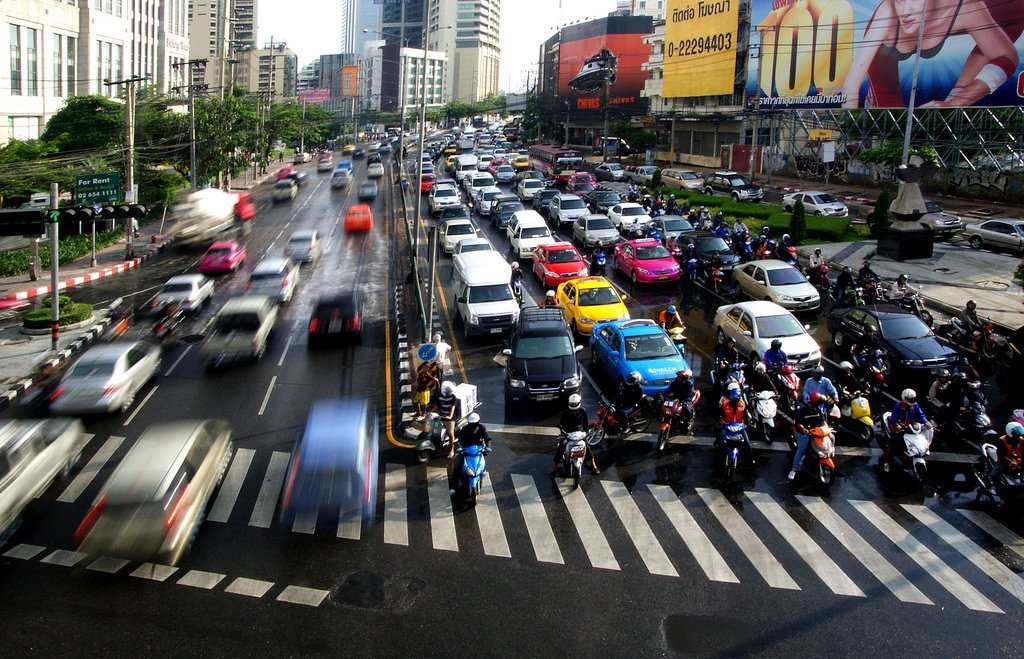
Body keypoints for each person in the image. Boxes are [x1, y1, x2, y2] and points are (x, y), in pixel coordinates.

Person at [840, 0, 1023, 109]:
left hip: (961, 18)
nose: (906, 10)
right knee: (891, 116)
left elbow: (1008, 58)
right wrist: (848, 124)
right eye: (900, 0)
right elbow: (852, 83)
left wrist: (956, 102)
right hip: (883, 57)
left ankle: (955, 95)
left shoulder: (966, 8)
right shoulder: (888, 12)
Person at [884, 388, 932, 471]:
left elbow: (921, 415)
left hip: (910, 427)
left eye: (913, 399)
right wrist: (896, 425)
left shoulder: (915, 405)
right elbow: (893, 419)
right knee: (892, 444)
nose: (912, 401)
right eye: (910, 399)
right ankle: (887, 462)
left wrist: (926, 422)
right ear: (904, 398)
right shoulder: (898, 405)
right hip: (898, 427)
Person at [551, 394, 599, 476]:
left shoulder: (583, 411)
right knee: (560, 450)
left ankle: (594, 466)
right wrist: (563, 433)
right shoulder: (565, 412)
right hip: (568, 434)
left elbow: (585, 425)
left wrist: (586, 433)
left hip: (579, 434)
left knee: (587, 448)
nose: (573, 405)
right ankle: (553, 470)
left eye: (575, 404)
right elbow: (562, 424)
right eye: (572, 404)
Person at [790, 392, 830, 479]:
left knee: (831, 438)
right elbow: (798, 423)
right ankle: (794, 469)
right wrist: (804, 430)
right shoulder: (802, 410)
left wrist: (826, 428)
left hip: (816, 432)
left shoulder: (818, 409)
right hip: (804, 433)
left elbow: (823, 421)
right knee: (802, 449)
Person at [719, 382, 755, 466]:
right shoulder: (724, 405)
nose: (735, 402)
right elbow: (718, 415)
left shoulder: (742, 405)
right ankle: (720, 459)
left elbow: (746, 417)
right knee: (721, 440)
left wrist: (749, 423)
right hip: (727, 427)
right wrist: (719, 422)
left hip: (739, 427)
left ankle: (751, 459)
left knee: (747, 443)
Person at [452, 412, 492, 487]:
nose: (473, 425)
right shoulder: (464, 429)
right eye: (471, 423)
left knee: (484, 456)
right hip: (466, 449)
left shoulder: (482, 428)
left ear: (478, 422)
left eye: (475, 423)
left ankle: (483, 470)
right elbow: (460, 439)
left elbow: (487, 438)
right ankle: (454, 487)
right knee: (458, 467)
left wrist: (488, 447)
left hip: (478, 449)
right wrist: (460, 447)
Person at [987, 422, 1024, 495]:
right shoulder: (1002, 440)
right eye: (1016, 434)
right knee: (993, 475)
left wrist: (1019, 461)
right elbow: (1001, 455)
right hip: (1004, 461)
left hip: (1018, 460)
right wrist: (1010, 462)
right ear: (1010, 432)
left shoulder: (1022, 440)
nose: (1018, 436)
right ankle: (994, 488)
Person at [435, 381, 459, 458]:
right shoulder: (440, 396)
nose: (450, 393)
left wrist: (449, 416)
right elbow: (437, 405)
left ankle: (451, 450)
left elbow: (453, 408)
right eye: (449, 392)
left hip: (450, 418)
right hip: (442, 416)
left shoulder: (453, 397)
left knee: (450, 433)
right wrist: (429, 412)